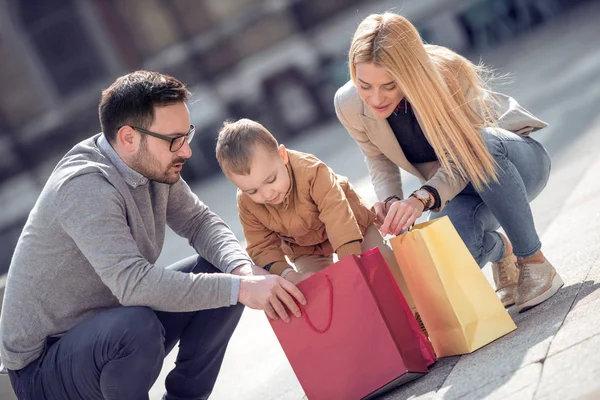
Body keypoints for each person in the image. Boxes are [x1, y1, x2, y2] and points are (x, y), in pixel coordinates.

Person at [0, 71, 306, 400]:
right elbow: (134, 284)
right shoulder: (83, 186)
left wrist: (244, 272)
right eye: (174, 140)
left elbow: (199, 222)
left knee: (222, 270)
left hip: (109, 324)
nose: (186, 151)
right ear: (129, 138)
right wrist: (243, 289)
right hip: (45, 366)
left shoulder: (150, 165)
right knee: (137, 327)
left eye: (186, 136)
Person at [333, 13, 563, 312]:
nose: (375, 98)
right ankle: (500, 249)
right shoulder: (348, 103)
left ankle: (535, 262)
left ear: (408, 72)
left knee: (481, 143)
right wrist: (390, 201)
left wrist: (421, 198)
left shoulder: (446, 73)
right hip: (458, 192)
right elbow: (376, 156)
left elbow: (468, 152)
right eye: (365, 85)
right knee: (440, 263)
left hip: (513, 164)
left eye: (389, 86)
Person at [214, 118, 416, 313]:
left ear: (282, 155)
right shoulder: (246, 202)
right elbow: (261, 246)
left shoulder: (312, 171)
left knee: (380, 264)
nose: (266, 194)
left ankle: (414, 312)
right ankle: (356, 329)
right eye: (253, 191)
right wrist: (288, 275)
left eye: (271, 179)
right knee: (312, 289)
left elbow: (338, 217)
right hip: (304, 245)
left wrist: (350, 264)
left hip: (352, 225)